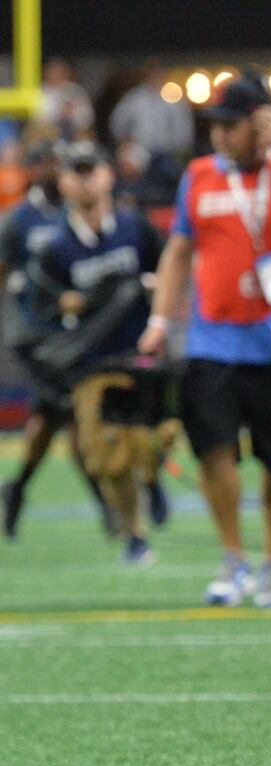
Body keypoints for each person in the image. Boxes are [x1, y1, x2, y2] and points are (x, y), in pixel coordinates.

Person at [138, 72, 271, 607]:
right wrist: (161, 322)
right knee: (213, 453)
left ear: (260, 125)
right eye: (216, 125)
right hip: (212, 342)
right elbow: (179, 253)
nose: (219, 135)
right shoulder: (199, 176)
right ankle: (233, 559)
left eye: (231, 126)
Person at [28, 141, 169, 565]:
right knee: (107, 457)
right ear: (63, 180)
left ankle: (153, 478)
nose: (85, 178)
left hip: (142, 357)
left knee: (155, 439)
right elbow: (39, 311)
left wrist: (156, 303)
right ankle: (136, 533)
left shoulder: (136, 228)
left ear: (109, 174)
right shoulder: (54, 246)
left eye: (92, 169)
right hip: (92, 364)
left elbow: (168, 275)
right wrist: (64, 308)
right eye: (76, 170)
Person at [1, 140, 119, 539]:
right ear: (32, 169)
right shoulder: (19, 220)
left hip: (71, 336)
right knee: (72, 417)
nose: (53, 170)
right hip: (34, 335)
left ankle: (17, 488)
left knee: (51, 418)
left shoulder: (77, 216)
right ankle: (108, 508)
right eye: (46, 162)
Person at [108, 61, 194, 165]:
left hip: (169, 152)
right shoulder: (134, 97)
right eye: (153, 72)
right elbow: (117, 122)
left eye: (159, 73)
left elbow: (185, 131)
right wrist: (125, 142)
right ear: (147, 74)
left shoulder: (174, 96)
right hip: (141, 150)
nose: (156, 76)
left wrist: (180, 150)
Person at [37, 58, 94, 140]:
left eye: (60, 71)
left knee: (85, 134)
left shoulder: (76, 90)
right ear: (45, 73)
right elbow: (38, 121)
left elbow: (87, 119)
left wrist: (72, 114)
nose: (56, 75)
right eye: (52, 71)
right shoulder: (39, 91)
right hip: (47, 133)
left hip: (74, 132)